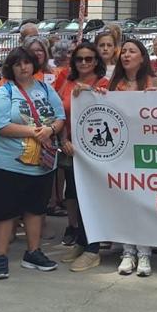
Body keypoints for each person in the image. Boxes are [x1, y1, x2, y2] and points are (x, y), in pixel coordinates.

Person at [0, 45, 65, 280]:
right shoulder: (5, 91)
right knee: (5, 211)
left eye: (27, 62)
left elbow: (60, 117)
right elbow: (0, 125)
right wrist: (33, 131)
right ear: (11, 67)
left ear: (34, 65)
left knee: (35, 209)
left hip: (42, 162)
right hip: (8, 162)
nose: (23, 67)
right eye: (18, 63)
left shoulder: (45, 88)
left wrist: (50, 130)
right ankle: (1, 256)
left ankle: (33, 251)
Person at [109, 38, 157, 277]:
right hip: (121, 153)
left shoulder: (155, 82)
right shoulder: (114, 85)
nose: (126, 55)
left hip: (147, 153)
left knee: (143, 204)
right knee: (124, 203)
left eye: (132, 51)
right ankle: (127, 251)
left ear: (142, 57)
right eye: (124, 52)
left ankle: (144, 252)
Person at [60, 41, 110, 270]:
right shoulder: (67, 82)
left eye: (89, 59)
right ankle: (81, 240)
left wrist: (91, 92)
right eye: (79, 59)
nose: (83, 63)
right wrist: (63, 140)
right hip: (72, 149)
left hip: (96, 153)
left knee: (92, 199)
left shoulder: (103, 83)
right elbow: (60, 113)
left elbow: (108, 109)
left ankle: (93, 248)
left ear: (96, 61)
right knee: (76, 196)